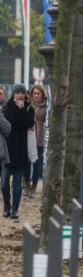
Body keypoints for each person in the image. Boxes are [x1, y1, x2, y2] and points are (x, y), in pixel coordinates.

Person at [2, 84, 35, 219]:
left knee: (17, 183)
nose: (20, 95)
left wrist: (22, 110)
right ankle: (6, 204)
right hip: (7, 150)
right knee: (4, 182)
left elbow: (29, 123)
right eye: (18, 93)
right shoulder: (6, 107)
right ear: (13, 94)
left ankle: (15, 207)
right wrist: (16, 108)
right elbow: (9, 123)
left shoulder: (29, 108)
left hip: (21, 150)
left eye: (22, 93)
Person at [24, 84, 48, 198]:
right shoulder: (28, 105)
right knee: (27, 163)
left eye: (38, 93)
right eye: (34, 93)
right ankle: (27, 186)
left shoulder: (46, 106)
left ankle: (34, 187)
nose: (36, 95)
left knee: (37, 163)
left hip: (39, 136)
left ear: (42, 94)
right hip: (28, 135)